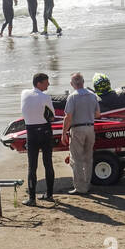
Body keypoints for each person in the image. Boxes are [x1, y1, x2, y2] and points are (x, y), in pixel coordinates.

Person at [62, 73, 100, 196]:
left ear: (72, 84)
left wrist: (63, 133)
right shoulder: (93, 95)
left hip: (77, 129)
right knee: (88, 158)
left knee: (76, 159)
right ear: (83, 82)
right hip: (90, 128)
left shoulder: (72, 97)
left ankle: (80, 187)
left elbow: (68, 117)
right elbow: (98, 114)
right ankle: (87, 184)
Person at [21, 73, 56, 205]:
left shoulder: (24, 93)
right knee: (48, 163)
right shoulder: (45, 97)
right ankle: (49, 195)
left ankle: (31, 199)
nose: (49, 84)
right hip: (45, 132)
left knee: (32, 167)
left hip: (31, 133)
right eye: (47, 82)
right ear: (39, 83)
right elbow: (51, 117)